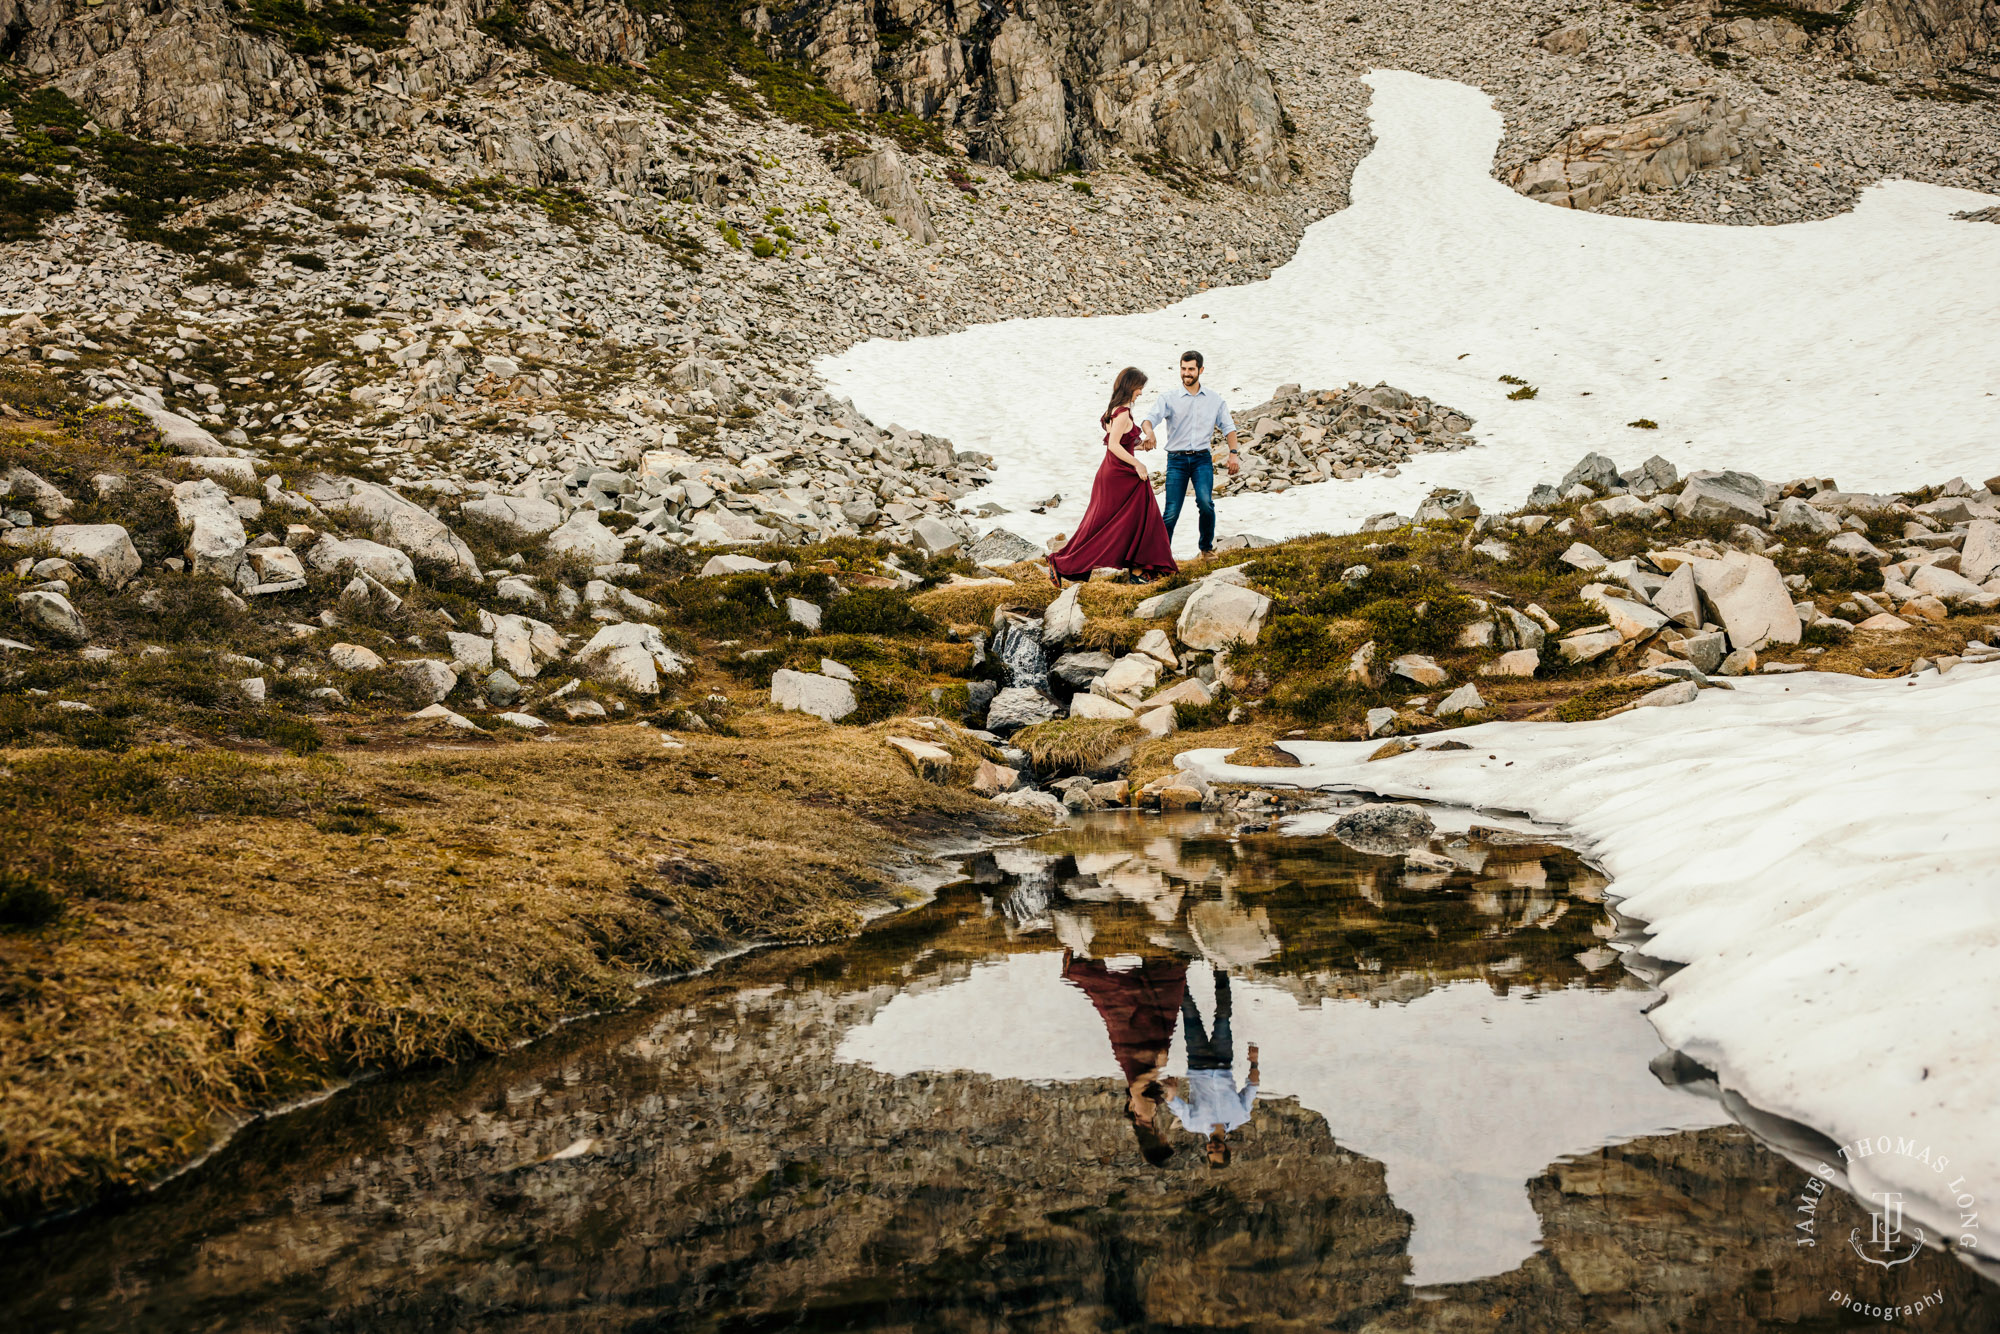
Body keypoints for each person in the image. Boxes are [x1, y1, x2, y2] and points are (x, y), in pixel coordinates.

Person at [1047, 367, 1178, 587]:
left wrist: (1140, 446)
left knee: (1103, 526)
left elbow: (1123, 442)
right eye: (1139, 388)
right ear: (1130, 386)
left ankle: (1073, 566)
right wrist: (1138, 463)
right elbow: (1114, 445)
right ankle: (1137, 569)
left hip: (1113, 474)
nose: (1141, 393)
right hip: (1118, 476)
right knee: (1138, 518)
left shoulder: (1116, 410)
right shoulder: (1123, 413)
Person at [1062, 948, 1189, 1167]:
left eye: (1164, 1142)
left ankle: (1078, 968)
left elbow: (1136, 1089)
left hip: (1135, 1050)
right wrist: (1169, 1089)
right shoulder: (1149, 1117)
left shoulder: (1140, 1116)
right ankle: (1158, 961)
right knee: (1159, 999)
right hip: (1146, 1049)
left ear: (1157, 1142)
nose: (1165, 1138)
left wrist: (1158, 1069)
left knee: (1126, 1002)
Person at [1144, 350, 1241, 556]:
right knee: (1170, 513)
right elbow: (1149, 419)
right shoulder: (1169, 398)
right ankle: (1160, 556)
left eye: (1191, 369)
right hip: (1176, 460)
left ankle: (1206, 550)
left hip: (1201, 460)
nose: (1186, 373)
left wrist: (1233, 453)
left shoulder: (1214, 400)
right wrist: (1150, 432)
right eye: (1183, 368)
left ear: (1201, 370)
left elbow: (1229, 428)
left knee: (1206, 503)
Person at [1164, 970, 1259, 1168]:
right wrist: (1254, 1062)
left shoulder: (1193, 1124)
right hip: (1223, 1060)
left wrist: (1171, 1094)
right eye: (1218, 1151)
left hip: (1197, 1062)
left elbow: (1175, 1104)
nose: (1212, 1148)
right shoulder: (1241, 1116)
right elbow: (1252, 1088)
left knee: (1188, 1010)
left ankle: (1176, 970)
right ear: (1228, 1149)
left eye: (1209, 1152)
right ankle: (1220, 970)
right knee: (1223, 1016)